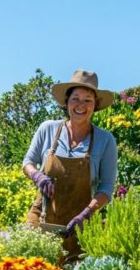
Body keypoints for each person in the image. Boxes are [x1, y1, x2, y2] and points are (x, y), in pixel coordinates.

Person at [23, 69, 118, 258]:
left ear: (95, 105)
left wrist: (87, 214)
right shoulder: (47, 129)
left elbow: (106, 188)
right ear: (66, 102)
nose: (80, 105)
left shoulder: (105, 140)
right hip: (42, 220)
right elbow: (28, 162)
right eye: (75, 98)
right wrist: (37, 175)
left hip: (80, 227)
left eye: (87, 100)